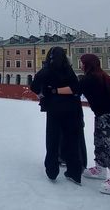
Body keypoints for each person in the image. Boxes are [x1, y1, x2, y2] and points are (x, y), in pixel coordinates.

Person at [72, 53, 110, 196]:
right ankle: (100, 168)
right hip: (104, 115)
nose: (80, 65)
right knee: (100, 142)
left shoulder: (91, 78)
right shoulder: (100, 75)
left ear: (87, 64)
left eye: (81, 62)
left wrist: (52, 90)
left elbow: (74, 90)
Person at [30, 47, 84, 185]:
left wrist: (48, 92)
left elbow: (34, 86)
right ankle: (74, 172)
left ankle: (52, 171)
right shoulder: (69, 70)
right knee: (71, 140)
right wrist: (58, 91)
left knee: (52, 140)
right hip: (71, 109)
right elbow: (76, 88)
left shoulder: (46, 70)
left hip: (54, 110)